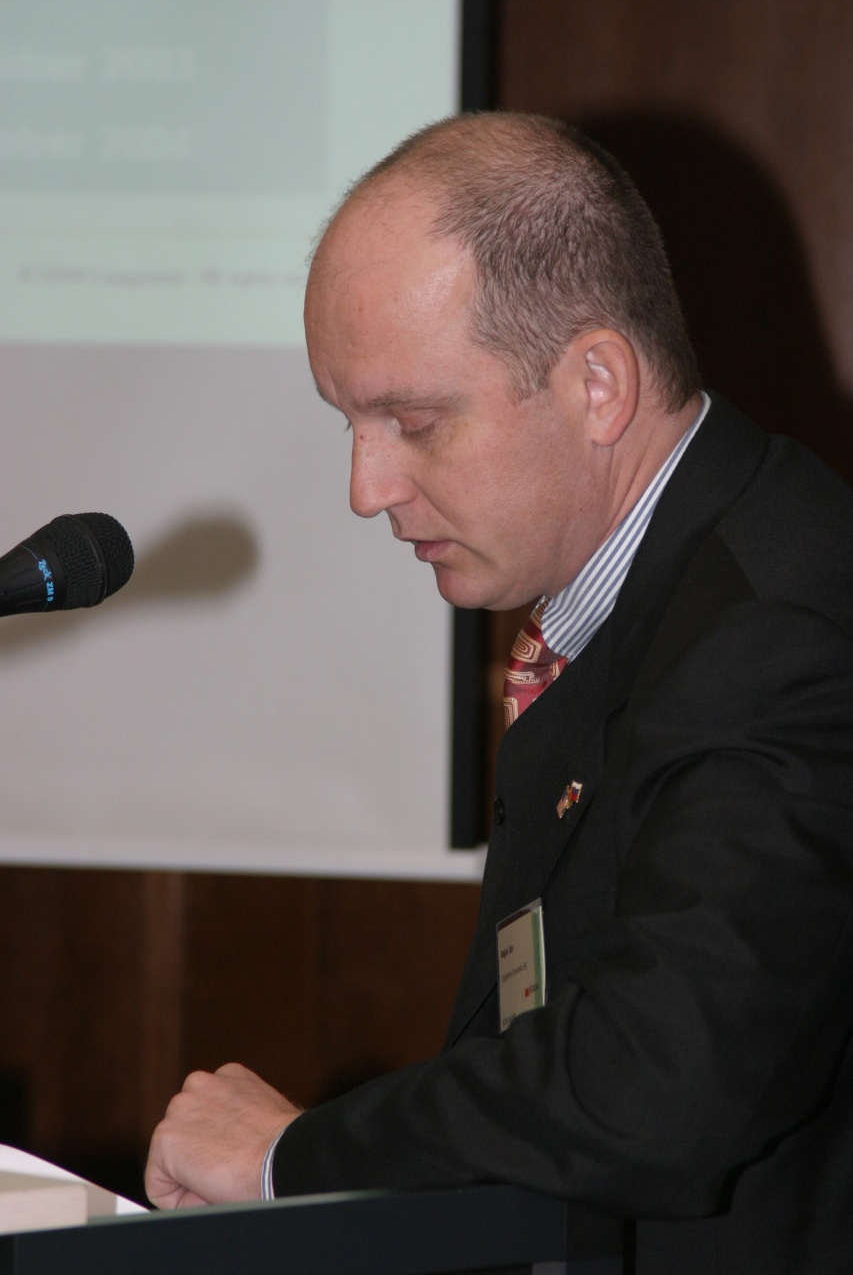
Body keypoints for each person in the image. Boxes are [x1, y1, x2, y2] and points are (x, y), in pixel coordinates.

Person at [145, 113, 853, 1274]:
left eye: (414, 422)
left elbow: (654, 1084)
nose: (367, 486)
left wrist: (290, 1156)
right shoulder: (653, 596)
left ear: (596, 384)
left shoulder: (778, 630)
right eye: (349, 422)